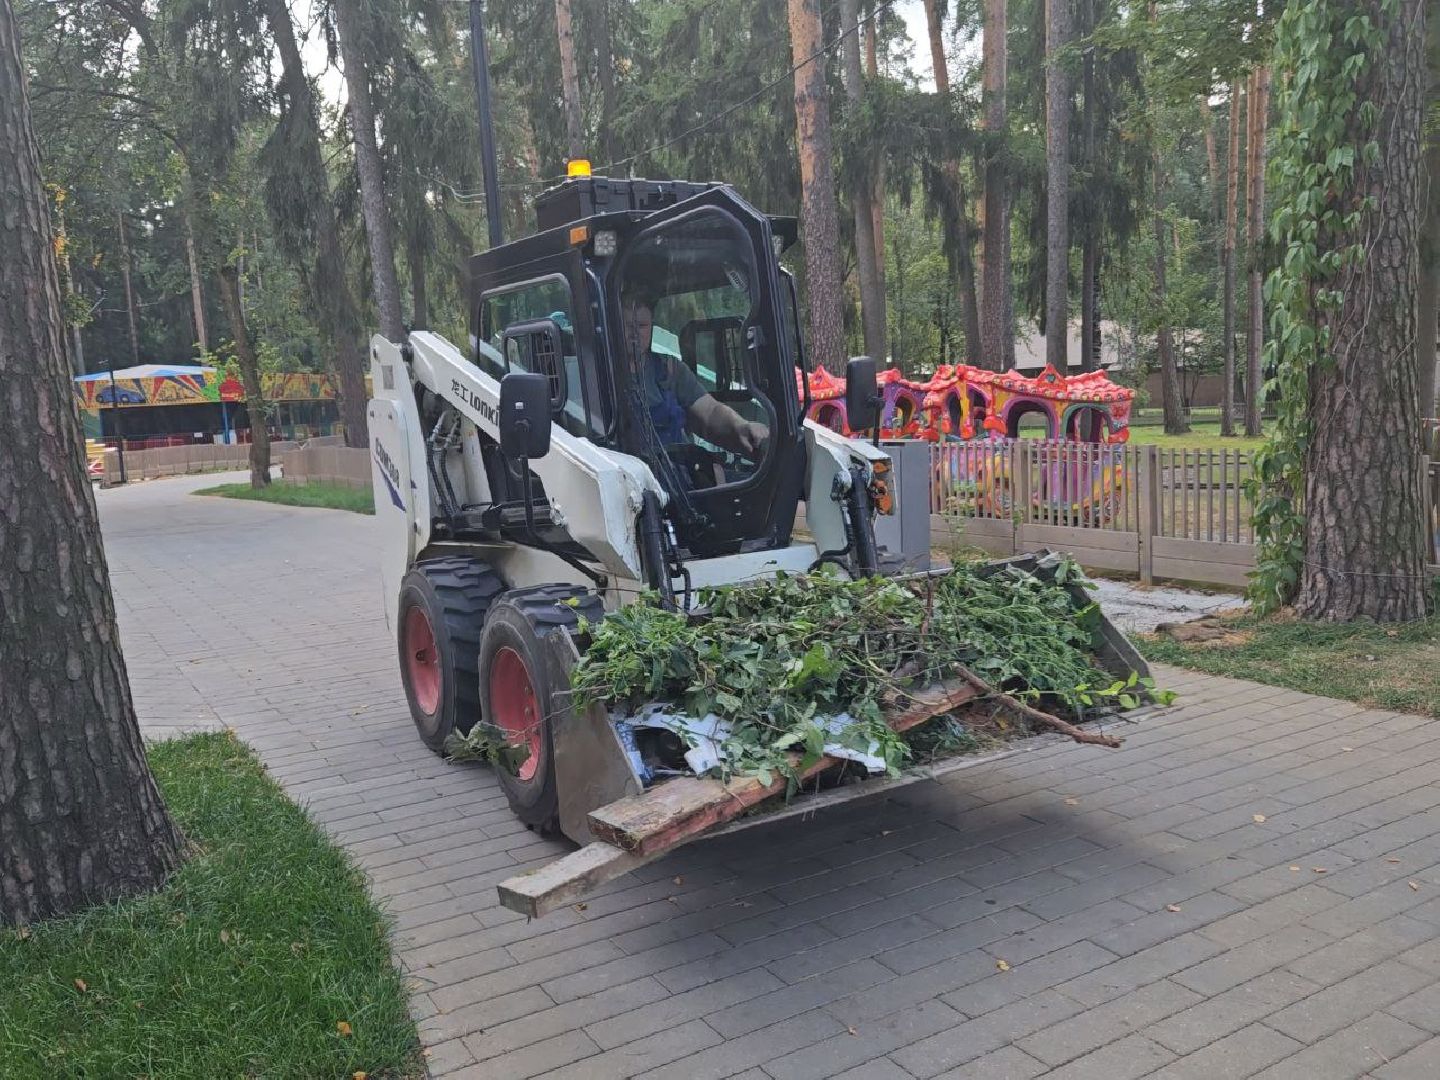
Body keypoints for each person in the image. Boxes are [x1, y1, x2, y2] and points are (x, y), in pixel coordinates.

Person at [622, 299, 769, 458]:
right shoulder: (601, 377)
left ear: (652, 327)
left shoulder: (670, 369)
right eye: (628, 326)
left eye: (642, 326)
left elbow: (710, 411)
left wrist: (740, 426)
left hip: (674, 471)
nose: (635, 333)